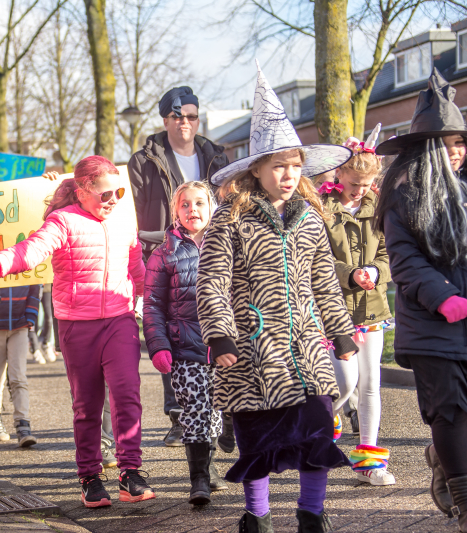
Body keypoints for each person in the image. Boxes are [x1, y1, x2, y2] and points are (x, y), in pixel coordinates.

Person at [196, 66, 357, 532]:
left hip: (307, 349)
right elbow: (212, 282)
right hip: (252, 350)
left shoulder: (310, 219)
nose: (288, 175)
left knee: (317, 431)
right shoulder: (230, 219)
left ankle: (312, 516)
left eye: (295, 166)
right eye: (278, 166)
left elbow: (325, 280)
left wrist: (341, 330)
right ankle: (259, 518)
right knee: (259, 440)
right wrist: (222, 336)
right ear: (257, 170)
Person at [0, 155, 154, 508]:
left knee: (128, 394)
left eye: (119, 191)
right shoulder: (62, 221)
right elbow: (30, 250)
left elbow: (139, 271)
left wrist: (157, 303)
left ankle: (130, 471)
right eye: (106, 194)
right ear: (83, 190)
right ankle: (89, 476)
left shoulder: (123, 221)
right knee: (86, 405)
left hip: (119, 319)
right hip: (76, 324)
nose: (114, 199)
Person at [375, 68, 467, 532]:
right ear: (428, 147)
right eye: (447, 144)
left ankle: (442, 458)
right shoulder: (403, 196)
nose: (456, 153)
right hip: (433, 324)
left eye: (461, 144)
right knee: (450, 412)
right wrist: (444, 297)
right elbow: (405, 262)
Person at [128, 86, 230, 447]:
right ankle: (178, 414)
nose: (185, 122)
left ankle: (225, 413)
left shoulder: (217, 155)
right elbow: (133, 206)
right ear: (165, 119)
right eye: (177, 116)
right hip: (165, 250)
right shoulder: (145, 160)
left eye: (191, 115)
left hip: (212, 248)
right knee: (172, 332)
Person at [318, 125, 397, 487]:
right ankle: (324, 419)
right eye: (354, 184)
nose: (360, 191)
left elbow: (388, 253)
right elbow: (315, 259)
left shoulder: (378, 207)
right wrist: (350, 274)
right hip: (335, 313)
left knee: (371, 385)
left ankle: (369, 460)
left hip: (373, 308)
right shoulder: (320, 208)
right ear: (340, 174)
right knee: (345, 383)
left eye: (366, 185)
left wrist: (375, 272)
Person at [143, 181, 226, 506]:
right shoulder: (164, 253)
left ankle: (212, 464)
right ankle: (199, 479)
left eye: (199, 204)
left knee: (217, 410)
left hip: (223, 348)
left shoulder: (225, 246)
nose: (193, 210)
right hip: (184, 348)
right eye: (185, 205)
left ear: (211, 208)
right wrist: (159, 344)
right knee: (194, 411)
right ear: (176, 211)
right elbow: (151, 304)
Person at [0, 283, 42, 447]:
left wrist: (30, 317)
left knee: (19, 377)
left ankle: (23, 425)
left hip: (20, 326)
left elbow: (35, 288)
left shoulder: (24, 259)